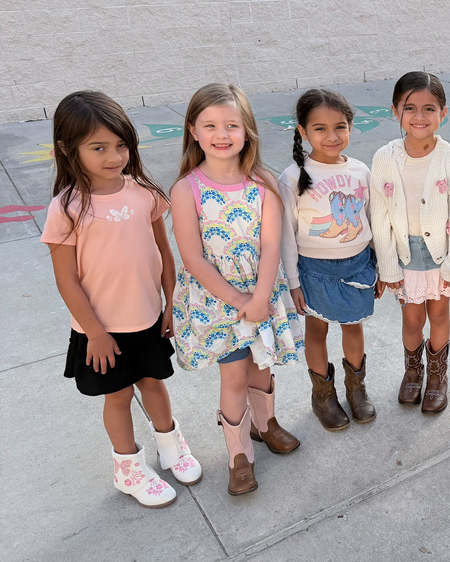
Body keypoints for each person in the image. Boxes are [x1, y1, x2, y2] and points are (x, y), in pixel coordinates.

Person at [41, 91, 200, 508]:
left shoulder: (144, 191)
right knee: (119, 395)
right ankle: (128, 468)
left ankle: (171, 443)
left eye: (121, 145)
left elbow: (163, 253)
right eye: (99, 147)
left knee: (154, 382)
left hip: (147, 318)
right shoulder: (67, 208)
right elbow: (67, 281)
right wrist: (94, 332)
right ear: (66, 148)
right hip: (102, 329)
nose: (114, 156)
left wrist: (170, 303)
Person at [171, 83, 303, 496]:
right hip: (217, 302)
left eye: (232, 124)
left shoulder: (263, 182)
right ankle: (239, 453)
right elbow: (193, 258)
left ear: (247, 130)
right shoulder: (184, 190)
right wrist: (240, 301)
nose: (221, 134)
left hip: (261, 293)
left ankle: (266, 425)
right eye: (210, 125)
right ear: (193, 130)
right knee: (233, 376)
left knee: (261, 365)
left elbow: (269, 244)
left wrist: (261, 297)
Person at [370, 72, 450, 414]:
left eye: (429, 108)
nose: (419, 117)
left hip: (440, 253)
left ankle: (438, 376)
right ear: (394, 111)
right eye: (409, 108)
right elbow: (381, 217)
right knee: (412, 319)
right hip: (403, 253)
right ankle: (413, 370)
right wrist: (386, 266)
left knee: (439, 313)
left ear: (443, 113)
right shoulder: (385, 158)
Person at [279, 89, 377, 432]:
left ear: (351, 127)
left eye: (340, 126)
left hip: (357, 264)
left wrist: (378, 266)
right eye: (320, 128)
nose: (332, 136)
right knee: (316, 330)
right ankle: (323, 395)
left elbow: (372, 220)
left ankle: (356, 388)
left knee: (354, 327)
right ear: (303, 132)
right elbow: (286, 235)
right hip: (314, 270)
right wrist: (293, 282)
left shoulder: (361, 171)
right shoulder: (292, 178)